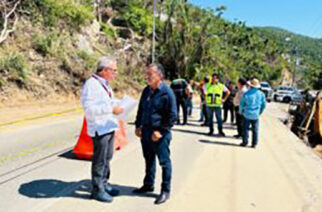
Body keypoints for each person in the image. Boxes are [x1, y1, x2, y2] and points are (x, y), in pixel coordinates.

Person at [81, 56, 124, 202]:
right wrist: (111, 108)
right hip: (100, 128)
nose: (115, 73)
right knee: (99, 160)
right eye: (114, 70)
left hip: (108, 126)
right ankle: (97, 190)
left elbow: (106, 102)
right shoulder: (91, 84)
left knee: (107, 158)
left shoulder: (104, 84)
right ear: (105, 70)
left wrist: (119, 104)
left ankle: (105, 184)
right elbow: (89, 109)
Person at [134, 63, 177, 205]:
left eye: (150, 74)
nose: (147, 77)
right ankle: (148, 184)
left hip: (160, 134)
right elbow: (141, 109)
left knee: (164, 162)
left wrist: (161, 131)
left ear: (159, 76)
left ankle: (165, 190)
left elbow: (172, 116)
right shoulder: (146, 90)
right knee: (148, 159)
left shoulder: (167, 93)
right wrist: (138, 125)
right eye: (147, 74)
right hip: (146, 131)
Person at [239, 78, 266, 148]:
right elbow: (263, 105)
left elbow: (241, 104)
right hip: (256, 114)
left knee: (245, 129)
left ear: (250, 85)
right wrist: (260, 112)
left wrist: (241, 111)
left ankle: (245, 142)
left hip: (247, 114)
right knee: (255, 130)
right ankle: (254, 143)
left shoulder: (246, 94)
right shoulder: (261, 94)